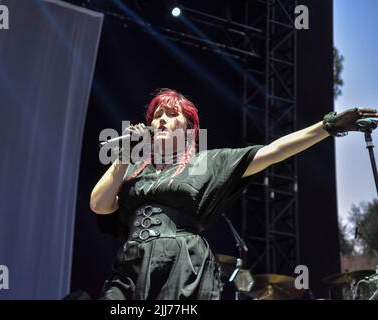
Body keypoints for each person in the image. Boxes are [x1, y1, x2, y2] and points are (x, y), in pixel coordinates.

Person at [90, 88, 377, 300]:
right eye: (157, 115)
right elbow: (100, 205)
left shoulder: (208, 163)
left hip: (180, 262)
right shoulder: (135, 169)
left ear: (189, 128)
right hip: (132, 263)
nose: (161, 120)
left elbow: (273, 152)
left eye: (171, 114)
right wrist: (123, 157)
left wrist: (327, 127)